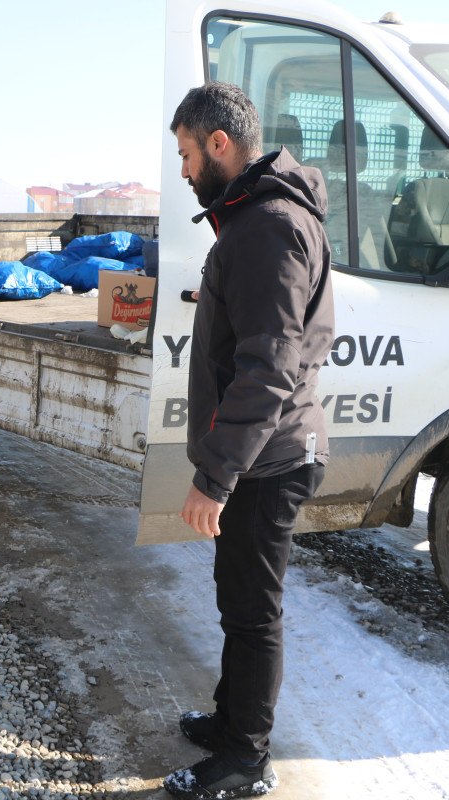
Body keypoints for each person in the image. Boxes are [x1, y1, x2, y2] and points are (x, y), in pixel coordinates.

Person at [162, 81, 334, 799]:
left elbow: (269, 366)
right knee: (238, 600)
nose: (183, 170)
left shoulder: (266, 226)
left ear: (219, 144)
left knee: (253, 613)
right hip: (265, 450)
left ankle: (245, 760)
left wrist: (215, 477)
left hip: (269, 457)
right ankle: (232, 721)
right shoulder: (257, 218)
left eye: (187, 154)